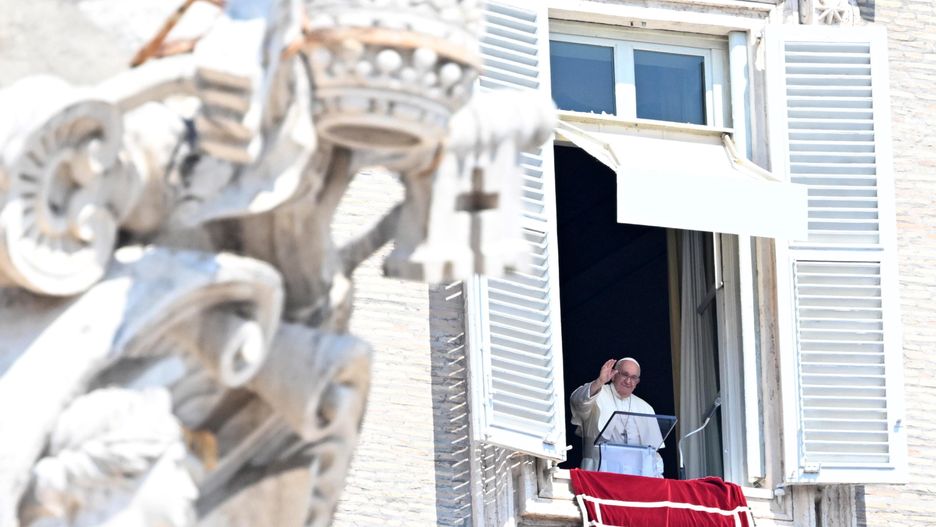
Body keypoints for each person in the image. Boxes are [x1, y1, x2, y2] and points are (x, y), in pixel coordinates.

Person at [569, 357, 664, 475]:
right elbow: (577, 401)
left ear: (637, 382)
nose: (628, 381)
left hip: (635, 475)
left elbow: (652, 452)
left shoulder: (646, 408)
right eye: (625, 375)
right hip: (599, 470)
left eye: (633, 377)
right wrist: (599, 381)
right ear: (614, 375)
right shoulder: (597, 392)